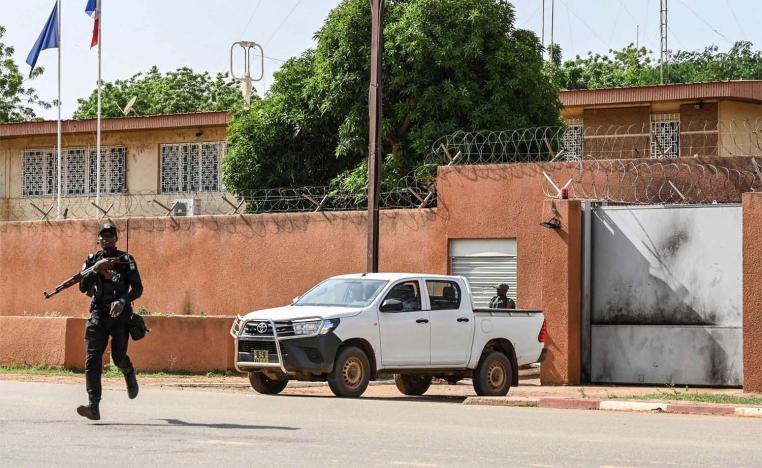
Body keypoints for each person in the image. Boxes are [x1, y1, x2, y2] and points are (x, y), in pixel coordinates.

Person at [76, 223, 143, 421]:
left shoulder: (126, 260)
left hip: (120, 316)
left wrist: (123, 301)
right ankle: (93, 405)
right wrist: (95, 270)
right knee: (92, 358)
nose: (106, 239)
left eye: (110, 236)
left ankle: (129, 373)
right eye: (103, 236)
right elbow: (82, 286)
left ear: (116, 238)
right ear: (98, 239)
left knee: (118, 357)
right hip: (98, 314)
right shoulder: (91, 260)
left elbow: (138, 288)